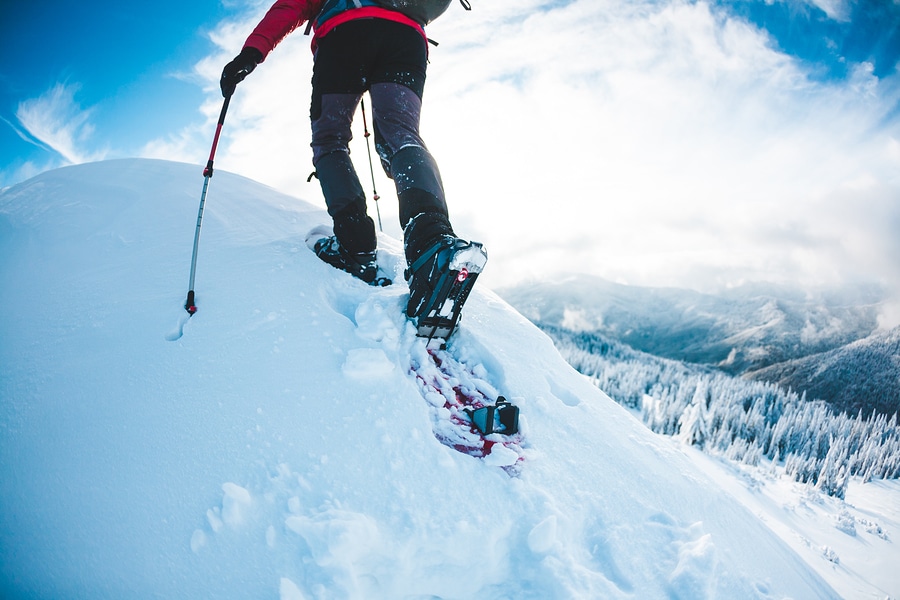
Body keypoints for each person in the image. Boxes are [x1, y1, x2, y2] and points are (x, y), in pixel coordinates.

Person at [220, 0, 485, 337]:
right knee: (401, 135)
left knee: (330, 141)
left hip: (345, 38)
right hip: (405, 37)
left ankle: (356, 248)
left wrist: (251, 54)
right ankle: (432, 243)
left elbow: (290, 5)